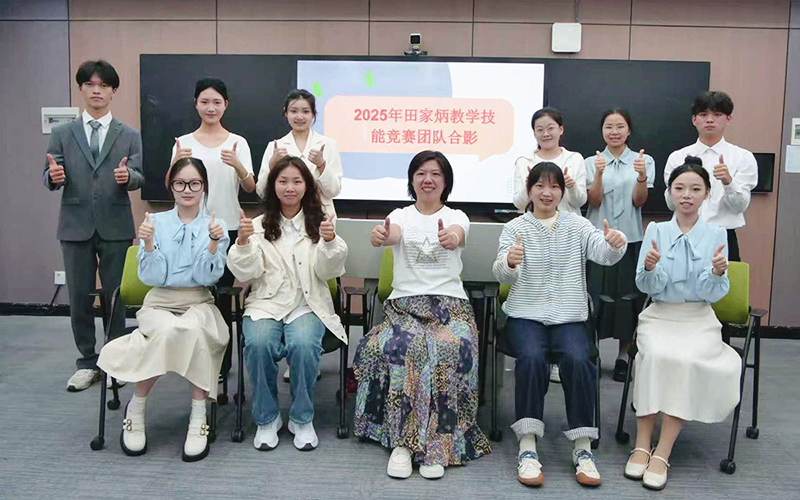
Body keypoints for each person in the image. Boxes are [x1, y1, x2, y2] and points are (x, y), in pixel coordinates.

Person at [354, 151, 491, 480]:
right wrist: (381, 236)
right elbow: (392, 233)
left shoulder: (457, 216)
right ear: (412, 180)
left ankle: (439, 445)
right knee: (408, 349)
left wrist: (450, 238)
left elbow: (457, 233)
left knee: (448, 348)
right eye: (421, 173)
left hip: (450, 307)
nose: (428, 179)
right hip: (405, 307)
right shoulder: (400, 215)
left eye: (435, 174)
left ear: (445, 182)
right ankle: (404, 444)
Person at [493, 162, 627, 488]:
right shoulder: (514, 227)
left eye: (554, 186)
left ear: (562, 192)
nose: (547, 192)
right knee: (531, 358)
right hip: (526, 315)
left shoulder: (577, 225)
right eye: (539, 186)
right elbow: (500, 272)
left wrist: (615, 242)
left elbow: (604, 253)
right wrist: (509, 262)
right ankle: (527, 445)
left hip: (569, 317)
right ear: (529, 190)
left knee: (579, 359)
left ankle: (582, 448)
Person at [97, 157, 230, 462]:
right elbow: (152, 278)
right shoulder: (154, 222)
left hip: (198, 301)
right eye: (180, 183)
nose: (187, 189)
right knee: (168, 330)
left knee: (194, 330)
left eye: (194, 183)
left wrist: (212, 243)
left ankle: (198, 417)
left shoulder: (216, 225)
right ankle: (137, 408)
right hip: (159, 301)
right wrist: (147, 245)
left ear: (204, 187)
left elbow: (207, 277)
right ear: (171, 187)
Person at [625, 156, 739, 491]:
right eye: (679, 188)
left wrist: (716, 272)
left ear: (707, 194)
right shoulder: (656, 230)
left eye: (695, 189)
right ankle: (642, 443)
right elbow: (646, 286)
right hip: (661, 314)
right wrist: (649, 268)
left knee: (686, 360)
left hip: (698, 318)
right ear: (670, 193)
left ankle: (663, 451)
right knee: (654, 356)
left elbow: (711, 294)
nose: (687, 195)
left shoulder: (717, 234)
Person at [227, 156, 348, 452]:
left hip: (306, 304)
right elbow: (247, 272)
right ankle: (267, 419)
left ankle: (301, 418)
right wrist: (242, 244)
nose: (290, 188)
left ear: (307, 186)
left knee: (304, 345)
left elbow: (328, 272)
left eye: (297, 181)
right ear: (273, 186)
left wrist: (330, 242)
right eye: (283, 181)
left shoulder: (321, 223)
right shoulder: (257, 226)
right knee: (258, 343)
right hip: (265, 304)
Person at [43, 60, 143, 392]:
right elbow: (49, 175)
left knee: (116, 296)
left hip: (116, 225)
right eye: (90, 84)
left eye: (103, 85)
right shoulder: (62, 133)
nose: (97, 90)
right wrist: (54, 177)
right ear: (81, 89)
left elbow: (140, 176)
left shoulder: (129, 135)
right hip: (75, 226)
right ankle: (87, 362)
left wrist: (129, 177)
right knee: (79, 296)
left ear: (113, 91)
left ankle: (114, 361)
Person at [170, 77, 255, 366]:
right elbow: (171, 184)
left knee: (222, 297)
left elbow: (250, 187)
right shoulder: (183, 143)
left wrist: (238, 165)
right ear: (195, 104)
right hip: (191, 228)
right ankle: (196, 359)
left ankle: (221, 362)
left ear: (225, 105)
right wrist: (175, 162)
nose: (211, 107)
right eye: (205, 101)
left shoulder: (237, 142)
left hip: (227, 227)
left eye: (217, 102)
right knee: (194, 296)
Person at [512, 107, 587, 383]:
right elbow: (518, 203)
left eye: (550, 128)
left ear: (561, 129)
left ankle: (559, 358)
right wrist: (530, 185)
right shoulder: (524, 161)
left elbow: (580, 201)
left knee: (565, 291)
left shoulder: (574, 159)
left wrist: (571, 185)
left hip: (568, 235)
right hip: (534, 234)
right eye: (539, 129)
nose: (545, 133)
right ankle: (540, 354)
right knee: (537, 291)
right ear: (534, 133)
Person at [584, 109, 655, 382]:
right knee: (595, 296)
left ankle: (624, 356)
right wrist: (598, 174)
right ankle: (593, 353)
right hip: (597, 240)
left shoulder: (643, 160)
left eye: (620, 126)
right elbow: (593, 201)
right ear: (602, 130)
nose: (614, 132)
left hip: (630, 238)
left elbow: (639, 201)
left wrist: (641, 176)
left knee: (627, 298)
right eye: (608, 126)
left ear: (629, 130)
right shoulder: (591, 162)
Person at [662, 91, 758, 262]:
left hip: (723, 236)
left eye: (717, 114)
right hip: (683, 234)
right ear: (694, 120)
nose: (710, 120)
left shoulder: (743, 157)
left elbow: (739, 207)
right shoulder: (677, 157)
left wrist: (728, 182)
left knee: (725, 279)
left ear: (728, 119)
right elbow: (670, 204)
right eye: (703, 114)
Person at [258, 89, 342, 220]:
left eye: (306, 111)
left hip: (321, 217)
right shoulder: (275, 147)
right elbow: (262, 192)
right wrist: (272, 165)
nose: (299, 117)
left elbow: (333, 190)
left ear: (313, 114)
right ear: (286, 113)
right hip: (284, 218)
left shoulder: (329, 145)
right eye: (293, 111)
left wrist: (321, 166)